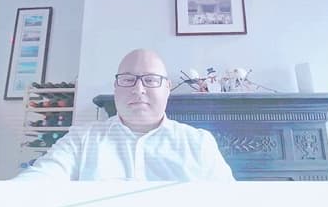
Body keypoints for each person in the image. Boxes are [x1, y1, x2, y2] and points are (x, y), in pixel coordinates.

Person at [16, 48, 234, 181]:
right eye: (128, 80)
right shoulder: (81, 139)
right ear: (116, 87)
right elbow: (41, 178)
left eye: (150, 80)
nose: (138, 89)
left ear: (167, 88)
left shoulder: (198, 143)